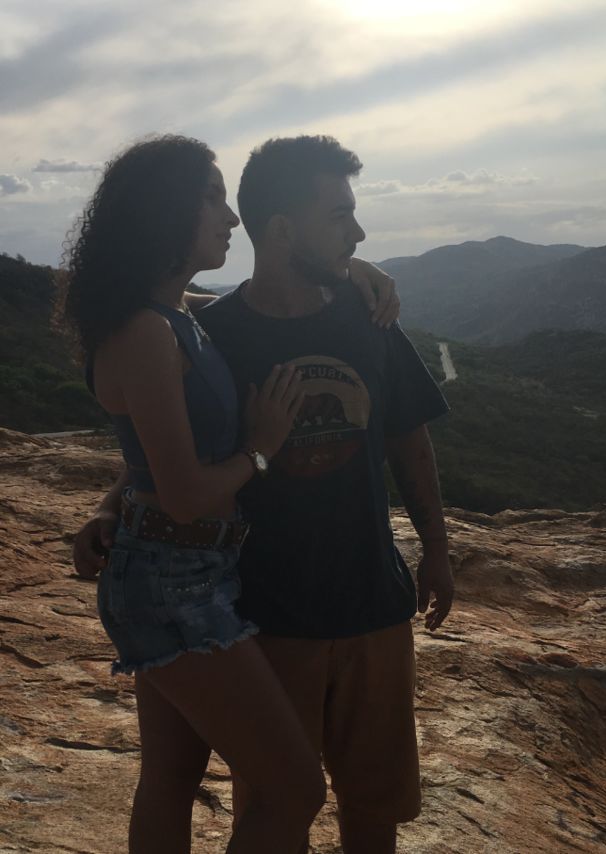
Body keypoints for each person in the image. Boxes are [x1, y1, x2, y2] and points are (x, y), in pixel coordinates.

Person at [76, 134, 454, 854]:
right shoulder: (206, 331)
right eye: (340, 216)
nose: (358, 232)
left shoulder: (359, 316)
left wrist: (436, 548)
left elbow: (409, 436)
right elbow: (181, 458)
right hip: (258, 610)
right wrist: (118, 500)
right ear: (283, 229)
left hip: (364, 600)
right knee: (284, 799)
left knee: (366, 804)